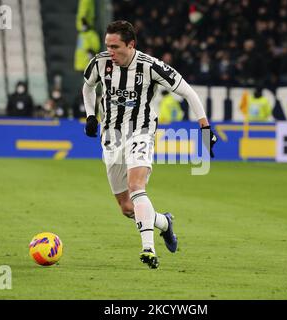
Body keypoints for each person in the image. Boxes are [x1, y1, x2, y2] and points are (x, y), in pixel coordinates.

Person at [82, 20, 217, 269]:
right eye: (107, 45)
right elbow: (88, 86)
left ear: (131, 45)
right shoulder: (100, 62)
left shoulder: (151, 66)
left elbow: (188, 92)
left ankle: (148, 249)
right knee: (125, 207)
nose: (109, 51)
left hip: (141, 132)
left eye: (115, 46)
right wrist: (91, 115)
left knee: (136, 186)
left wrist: (205, 127)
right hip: (112, 136)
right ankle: (164, 223)